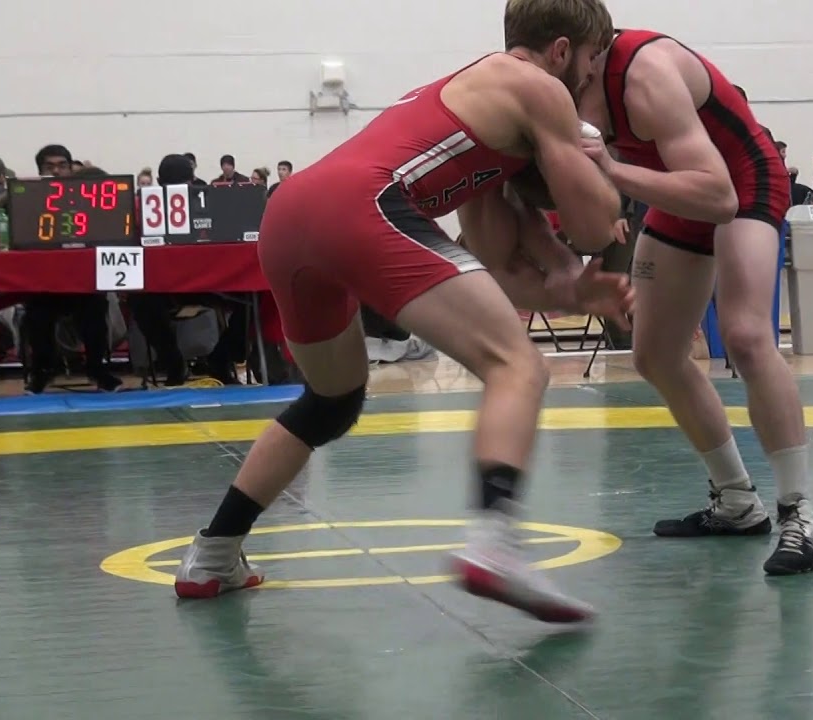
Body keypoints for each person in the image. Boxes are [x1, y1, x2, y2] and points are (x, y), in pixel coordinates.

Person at [173, 0, 628, 624]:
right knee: (518, 367)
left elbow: (493, 271)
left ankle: (212, 554)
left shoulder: (481, 105)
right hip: (361, 204)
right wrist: (601, 166)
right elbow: (595, 223)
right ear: (559, 51)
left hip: (291, 215)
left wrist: (572, 291)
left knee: (331, 400)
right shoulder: (536, 86)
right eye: (588, 66)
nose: (586, 84)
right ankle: (495, 542)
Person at [575, 28, 813, 576]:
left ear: (578, 52)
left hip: (741, 181)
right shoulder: (554, 81)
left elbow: (720, 195)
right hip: (678, 190)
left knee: (746, 335)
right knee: (655, 354)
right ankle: (737, 501)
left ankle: (800, 515)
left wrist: (613, 173)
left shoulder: (643, 70)